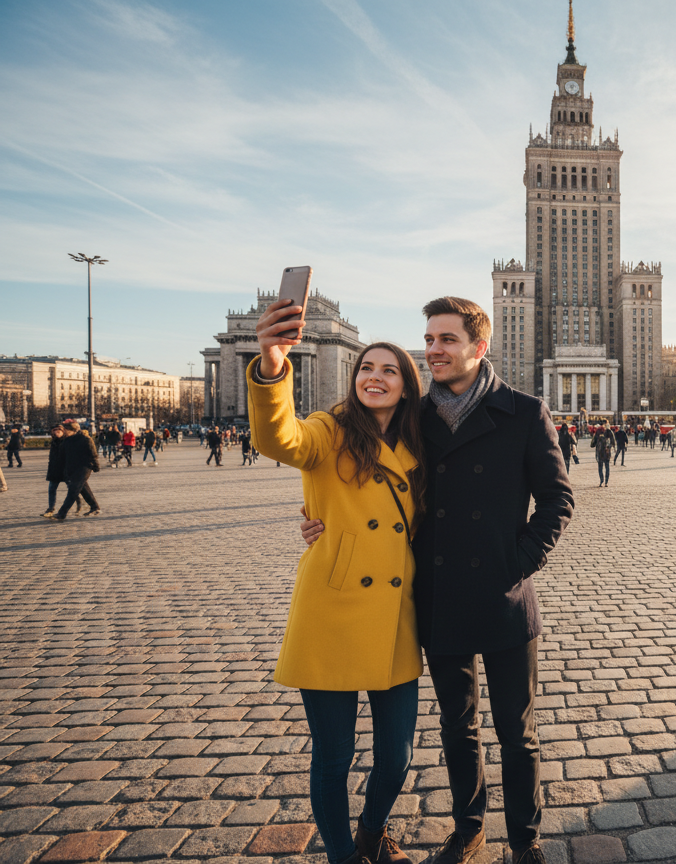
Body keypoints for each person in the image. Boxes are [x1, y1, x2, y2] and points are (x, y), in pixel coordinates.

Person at [304, 297, 572, 864]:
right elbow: (358, 476)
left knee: (516, 733)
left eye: (446, 339)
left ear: (480, 346)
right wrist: (322, 517)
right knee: (458, 727)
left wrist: (517, 559)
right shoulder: (413, 417)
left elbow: (556, 499)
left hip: (504, 598)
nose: (433, 350)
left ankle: (526, 840)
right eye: (428, 339)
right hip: (438, 595)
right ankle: (469, 828)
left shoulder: (525, 411)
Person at [250, 299, 425, 864]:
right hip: (331, 609)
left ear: (405, 385)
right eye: (366, 368)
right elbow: (281, 440)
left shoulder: (420, 447)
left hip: (396, 617)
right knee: (333, 756)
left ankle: (373, 832)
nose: (375, 377)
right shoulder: (328, 429)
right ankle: (343, 855)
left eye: (388, 369)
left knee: (396, 755)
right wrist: (274, 365)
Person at [53, 422, 101, 520]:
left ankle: (62, 513)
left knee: (73, 490)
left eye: (66, 430)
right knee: (83, 488)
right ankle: (95, 507)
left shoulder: (85, 439)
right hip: (72, 468)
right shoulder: (66, 441)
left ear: (73, 430)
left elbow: (93, 453)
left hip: (84, 468)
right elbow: (62, 457)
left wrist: (96, 466)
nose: (64, 432)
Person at [43, 425, 76, 517]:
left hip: (65, 469)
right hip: (54, 469)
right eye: (55, 431)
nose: (57, 432)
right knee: (52, 489)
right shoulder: (54, 442)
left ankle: (78, 504)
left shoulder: (67, 441)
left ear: (63, 431)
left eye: (59, 431)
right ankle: (51, 508)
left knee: (73, 489)